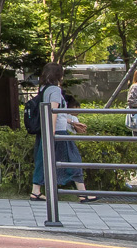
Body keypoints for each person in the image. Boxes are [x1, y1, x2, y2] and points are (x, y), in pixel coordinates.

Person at [29, 64, 95, 203]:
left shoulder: (43, 89)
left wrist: (71, 122)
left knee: (43, 160)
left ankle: (36, 191)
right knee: (73, 160)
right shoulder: (55, 90)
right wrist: (52, 131)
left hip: (46, 130)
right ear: (59, 75)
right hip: (56, 132)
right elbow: (53, 111)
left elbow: (58, 114)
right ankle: (83, 193)